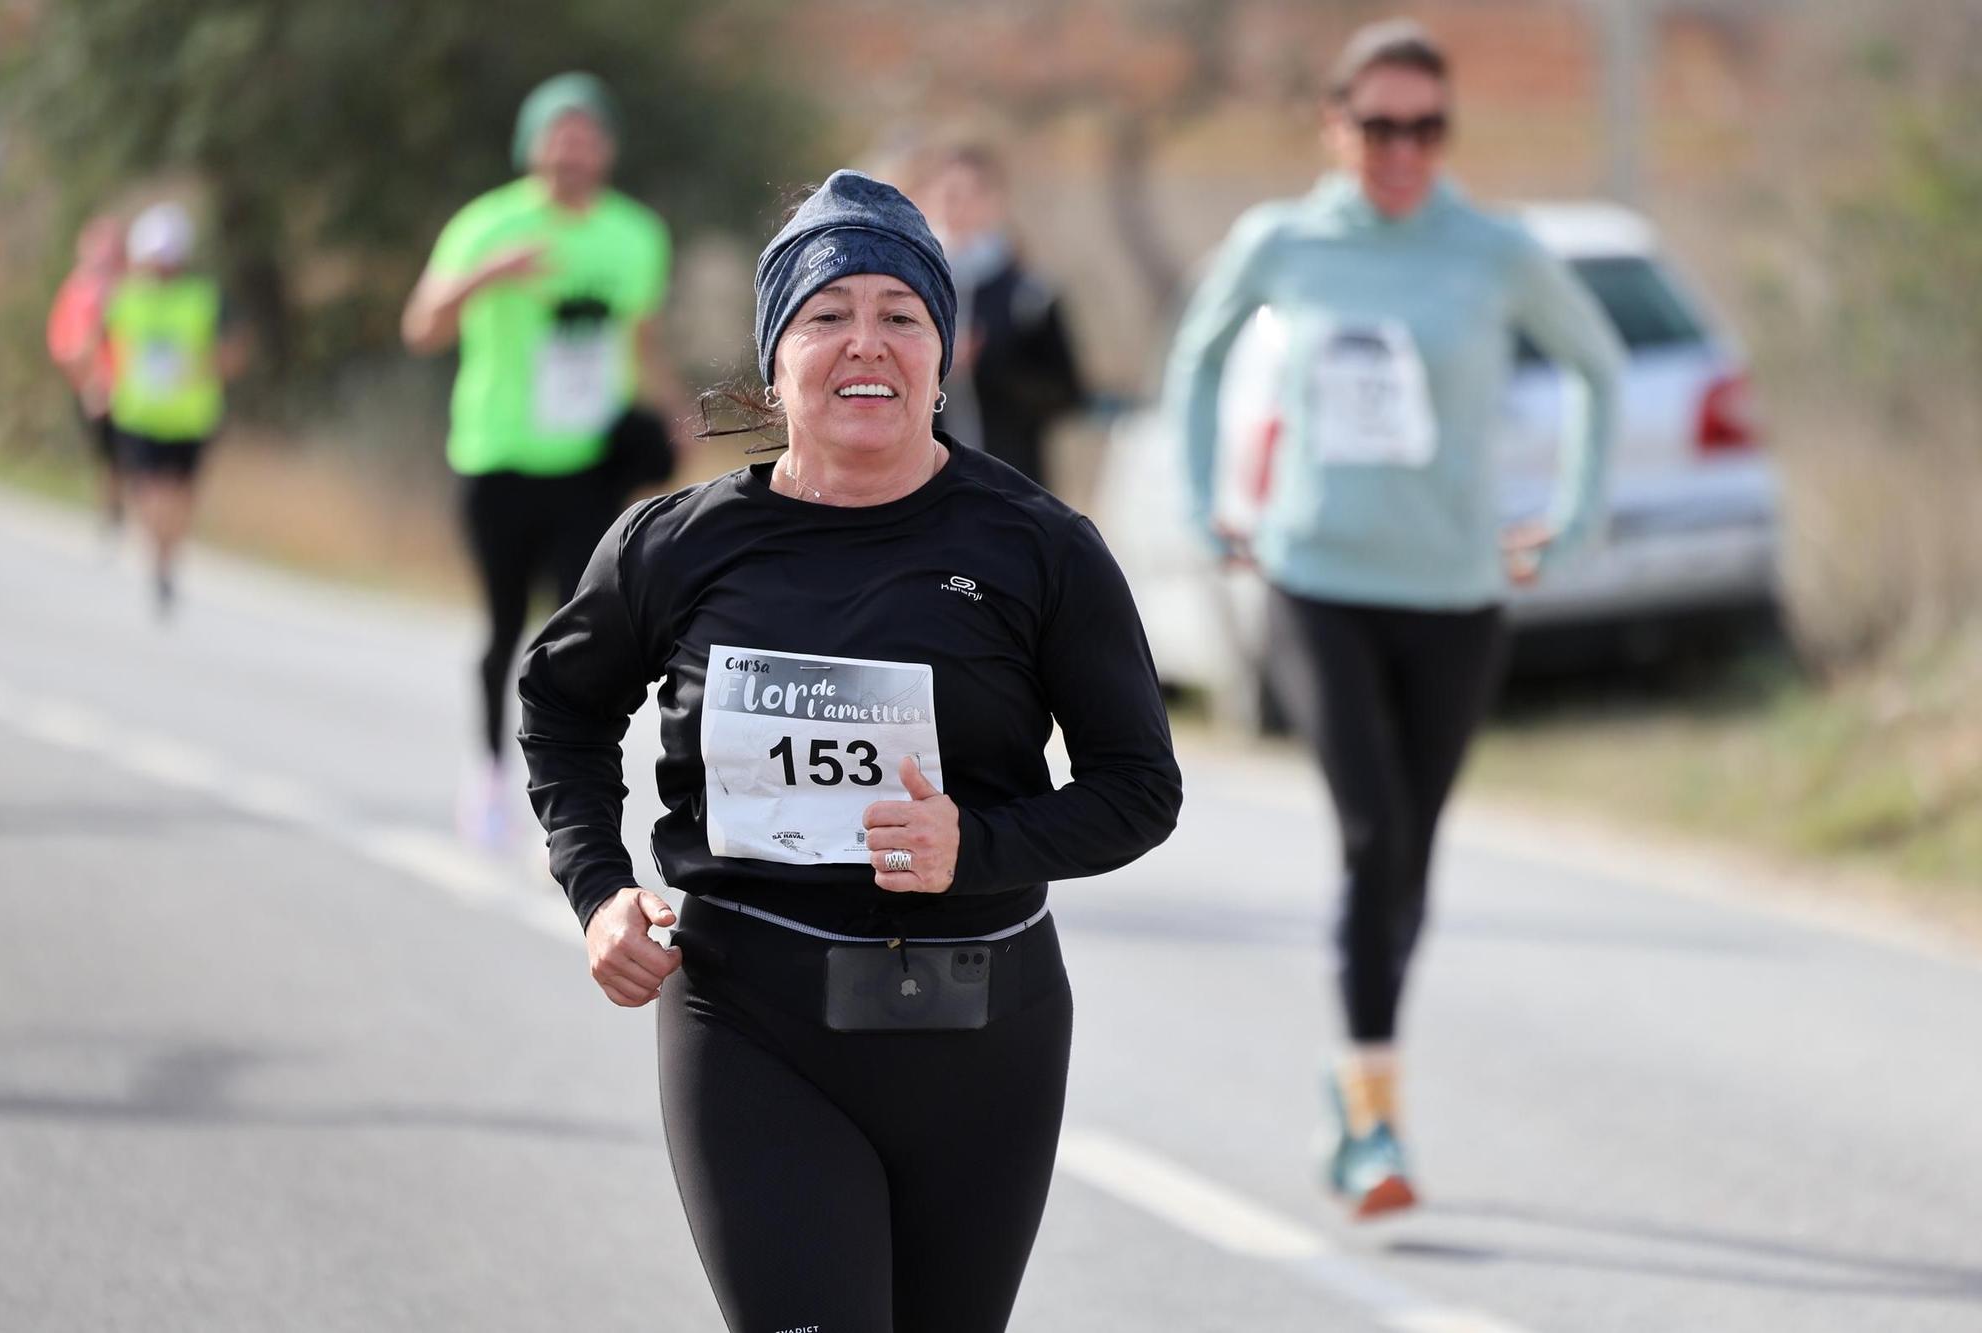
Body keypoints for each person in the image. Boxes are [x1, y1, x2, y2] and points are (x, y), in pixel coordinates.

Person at [519, 169, 1182, 1332]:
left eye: (900, 315)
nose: (862, 344)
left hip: (985, 1036)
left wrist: (974, 842)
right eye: (826, 316)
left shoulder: (1039, 550)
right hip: (750, 1025)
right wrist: (597, 890)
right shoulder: (676, 547)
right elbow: (563, 708)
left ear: (942, 354)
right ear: (775, 362)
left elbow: (1138, 789)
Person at [1165, 18, 1623, 1218]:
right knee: (1370, 833)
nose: (1401, 150)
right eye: (1378, 126)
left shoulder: (1493, 250)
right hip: (1316, 581)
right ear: (1334, 126)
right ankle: (1376, 1125)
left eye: (1425, 127)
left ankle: (1350, 1076)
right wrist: (1203, 495)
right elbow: (1198, 360)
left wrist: (1569, 521)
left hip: (1457, 591)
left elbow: (1598, 368)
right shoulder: (1283, 242)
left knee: (1409, 855)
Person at [401, 72, 681, 848]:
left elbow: (641, 338)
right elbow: (420, 326)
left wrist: (672, 413)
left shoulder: (635, 236)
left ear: (609, 150)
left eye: (589, 136)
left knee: (578, 630)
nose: (574, 151)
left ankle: (564, 794)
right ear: (533, 145)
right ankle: (487, 769)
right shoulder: (487, 224)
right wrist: (488, 275)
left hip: (589, 461)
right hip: (497, 455)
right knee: (502, 624)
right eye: (559, 135)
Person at [916, 143, 1084, 492]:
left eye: (970, 194)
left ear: (995, 202)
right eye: (948, 194)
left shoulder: (1029, 294)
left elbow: (1067, 394)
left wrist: (989, 365)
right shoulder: (912, 291)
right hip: (927, 488)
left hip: (1011, 483)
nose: (957, 207)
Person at [105, 202, 245, 616]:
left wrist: (208, 368)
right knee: (150, 493)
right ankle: (157, 557)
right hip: (139, 414)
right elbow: (103, 343)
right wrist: (100, 382)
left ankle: (168, 561)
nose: (160, 266)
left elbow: (234, 349)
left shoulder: (205, 297)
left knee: (181, 497)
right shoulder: (125, 295)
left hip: (190, 417)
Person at [48, 215, 129, 530]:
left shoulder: (132, 289)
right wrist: (85, 380)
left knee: (128, 453)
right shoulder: (75, 290)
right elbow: (62, 342)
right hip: (90, 386)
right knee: (106, 453)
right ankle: (110, 508)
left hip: (130, 388)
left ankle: (120, 507)